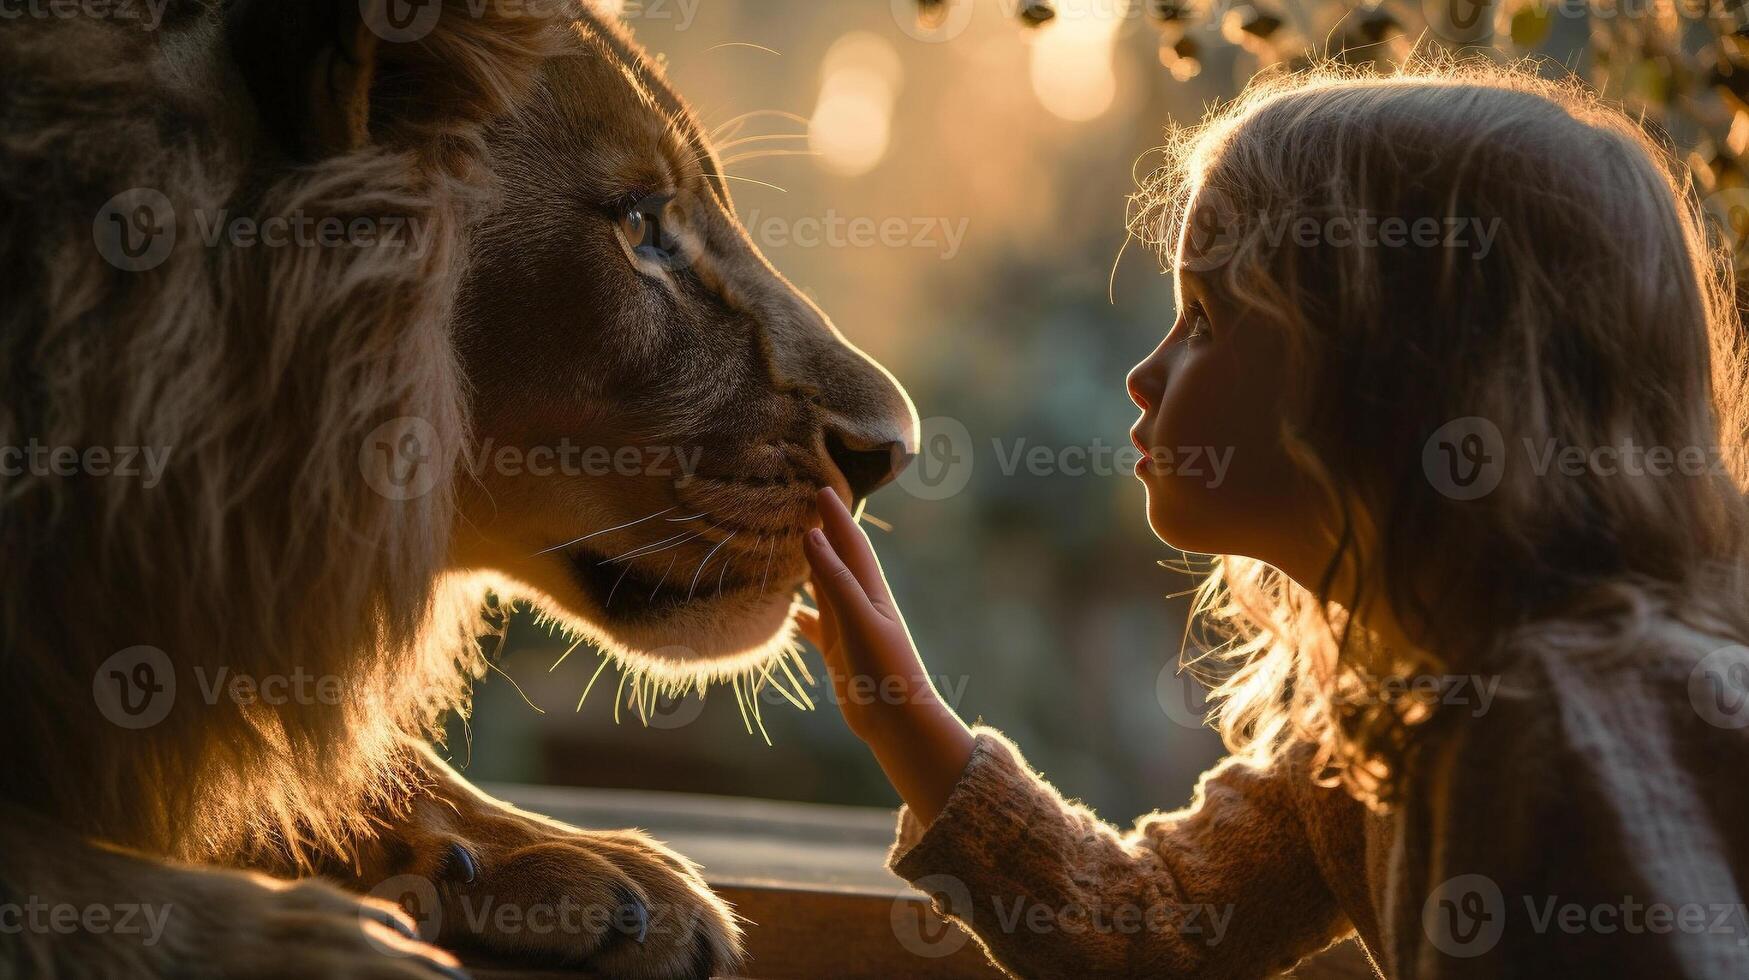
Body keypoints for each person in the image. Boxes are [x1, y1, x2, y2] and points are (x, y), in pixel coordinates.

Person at [798, 62, 1749, 978]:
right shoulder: (1377, 713)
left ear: (1386, 380)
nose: (1144, 373)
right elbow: (1151, 935)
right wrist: (904, 717)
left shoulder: (1567, 728)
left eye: (1204, 320)